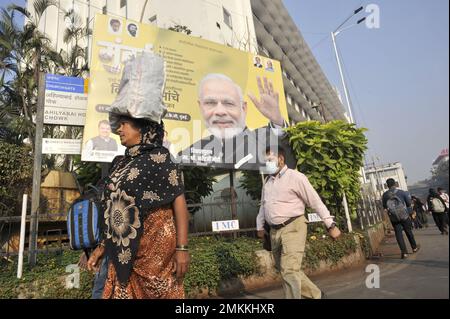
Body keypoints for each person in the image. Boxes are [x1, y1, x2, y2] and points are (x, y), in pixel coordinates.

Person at [256, 146, 341, 299]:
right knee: (287, 270)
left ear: (281, 159)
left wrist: (330, 225)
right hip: (275, 231)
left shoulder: (296, 177)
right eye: (265, 161)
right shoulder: (268, 182)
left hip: (294, 227)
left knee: (289, 270)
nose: (266, 164)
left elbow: (315, 201)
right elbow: (264, 205)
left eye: (270, 160)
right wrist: (260, 225)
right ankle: (317, 296)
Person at [179, 74, 294, 170]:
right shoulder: (189, 153)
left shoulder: (265, 139)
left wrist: (277, 121)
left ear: (243, 108)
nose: (220, 112)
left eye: (228, 103)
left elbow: (287, 167)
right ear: (200, 107)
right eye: (210, 103)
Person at [382, 178, 420, 259]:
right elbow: (409, 204)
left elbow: (384, 207)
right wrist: (410, 214)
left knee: (398, 234)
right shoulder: (401, 192)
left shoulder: (385, 195)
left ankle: (404, 253)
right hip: (404, 215)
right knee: (408, 231)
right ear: (395, 184)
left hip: (394, 218)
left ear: (387, 186)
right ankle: (414, 248)